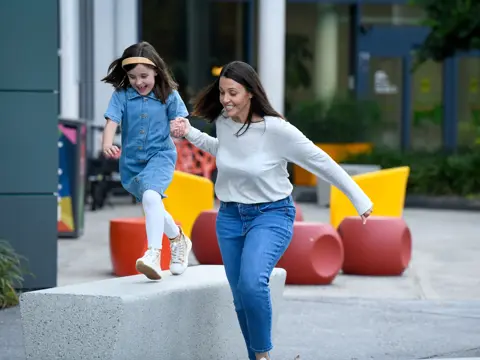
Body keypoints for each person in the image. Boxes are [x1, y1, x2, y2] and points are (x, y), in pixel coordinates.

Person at [170, 61, 373, 360]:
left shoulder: (277, 130)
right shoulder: (225, 123)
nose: (225, 100)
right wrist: (190, 133)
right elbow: (222, 150)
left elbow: (320, 161)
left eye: (233, 93)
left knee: (252, 283)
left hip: (271, 215)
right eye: (222, 92)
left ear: (251, 93)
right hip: (229, 218)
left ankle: (263, 356)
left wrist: (359, 198)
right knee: (240, 298)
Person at [101, 41, 192, 280]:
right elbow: (111, 120)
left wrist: (178, 126)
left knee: (151, 197)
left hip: (160, 156)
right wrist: (106, 143)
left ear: (156, 72)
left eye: (144, 76)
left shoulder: (168, 95)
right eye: (133, 77)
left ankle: (153, 253)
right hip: (131, 164)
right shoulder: (121, 96)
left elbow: (182, 120)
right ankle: (178, 239)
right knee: (154, 205)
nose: (139, 82)